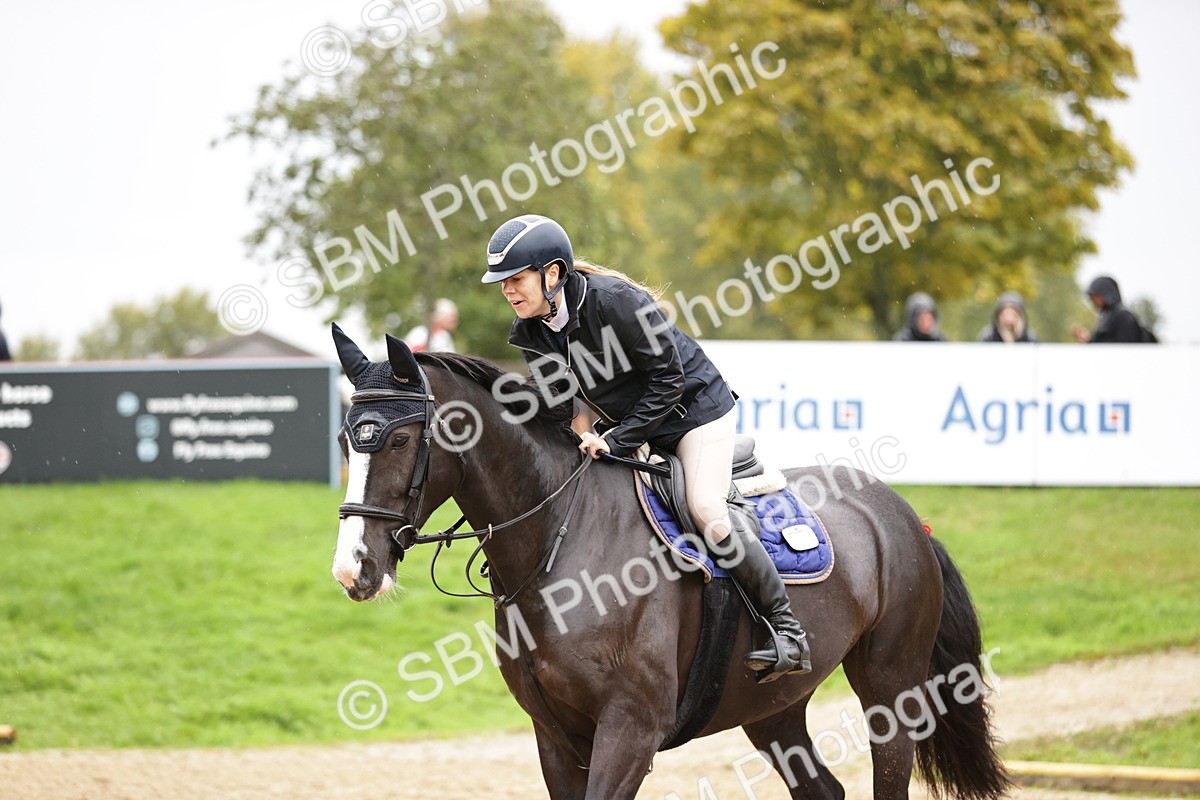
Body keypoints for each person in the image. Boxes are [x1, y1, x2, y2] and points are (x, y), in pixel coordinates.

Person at [482, 214, 811, 683]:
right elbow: (559, 403)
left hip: (695, 413)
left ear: (552, 273)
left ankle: (786, 630)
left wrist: (616, 439)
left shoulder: (617, 303)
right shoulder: (530, 332)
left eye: (516, 279)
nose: (509, 292)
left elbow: (668, 380)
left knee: (706, 511)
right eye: (502, 284)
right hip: (634, 425)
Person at [1072, 276, 1154, 344]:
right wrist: (1089, 341)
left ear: (1105, 294)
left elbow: (1122, 346)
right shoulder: (1105, 317)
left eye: (1095, 297)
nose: (1093, 301)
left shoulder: (1123, 316)